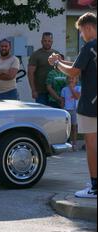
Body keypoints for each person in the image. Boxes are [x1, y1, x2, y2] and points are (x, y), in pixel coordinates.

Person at [48, 12, 96, 198]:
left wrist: (57, 62)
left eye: (81, 31)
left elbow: (74, 71)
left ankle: (95, 187)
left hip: (90, 105)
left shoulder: (89, 46)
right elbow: (81, 65)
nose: (81, 35)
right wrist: (59, 62)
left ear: (88, 27)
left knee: (92, 146)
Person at [28, 32, 61, 106]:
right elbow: (30, 73)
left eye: (49, 41)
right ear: (41, 41)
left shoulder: (56, 54)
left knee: (55, 115)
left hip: (55, 92)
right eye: (45, 41)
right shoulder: (35, 55)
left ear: (52, 42)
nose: (47, 43)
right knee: (42, 115)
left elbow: (61, 71)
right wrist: (33, 90)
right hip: (41, 92)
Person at [61, 76, 81, 151]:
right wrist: (62, 109)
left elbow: (77, 97)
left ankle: (74, 144)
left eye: (73, 78)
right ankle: (65, 143)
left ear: (76, 80)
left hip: (75, 110)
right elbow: (62, 101)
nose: (71, 80)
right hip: (67, 110)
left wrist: (72, 88)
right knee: (66, 128)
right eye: (69, 78)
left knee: (74, 127)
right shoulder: (64, 89)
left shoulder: (79, 88)